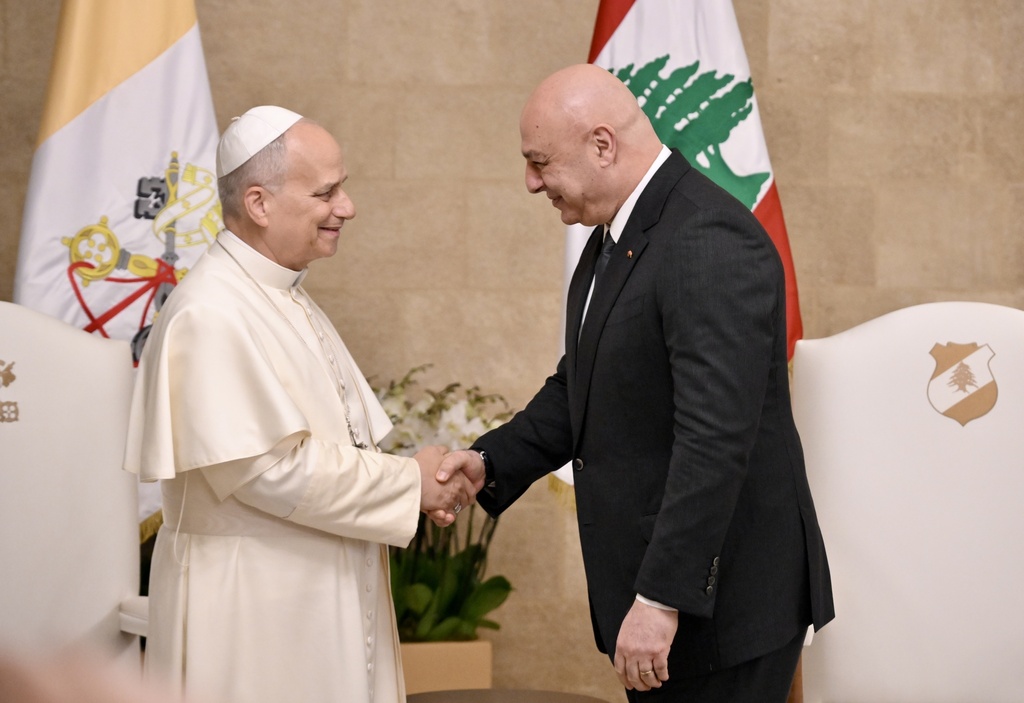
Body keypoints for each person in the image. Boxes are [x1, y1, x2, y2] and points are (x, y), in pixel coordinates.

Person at [437, 64, 834, 702]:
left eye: (540, 162)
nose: (531, 183)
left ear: (602, 145)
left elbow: (714, 438)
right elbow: (584, 386)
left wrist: (660, 598)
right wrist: (490, 462)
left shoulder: (706, 237)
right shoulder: (619, 233)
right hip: (675, 607)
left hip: (719, 610)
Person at [124, 105, 478, 703]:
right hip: (255, 617)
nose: (348, 206)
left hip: (310, 598)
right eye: (327, 191)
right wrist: (410, 483)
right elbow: (271, 470)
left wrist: (419, 481)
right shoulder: (211, 313)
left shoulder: (281, 295)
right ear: (260, 203)